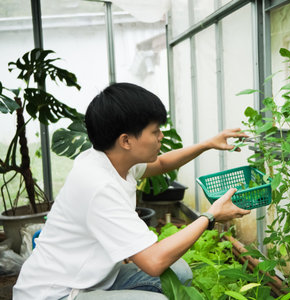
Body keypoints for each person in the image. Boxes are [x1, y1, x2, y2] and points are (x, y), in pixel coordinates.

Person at [13, 82, 250, 300]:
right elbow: (153, 262)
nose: (161, 136)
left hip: (90, 277)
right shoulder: (99, 185)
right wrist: (210, 216)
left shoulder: (111, 160)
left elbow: (162, 164)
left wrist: (207, 144)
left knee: (179, 272)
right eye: (155, 131)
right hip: (56, 293)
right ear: (126, 141)